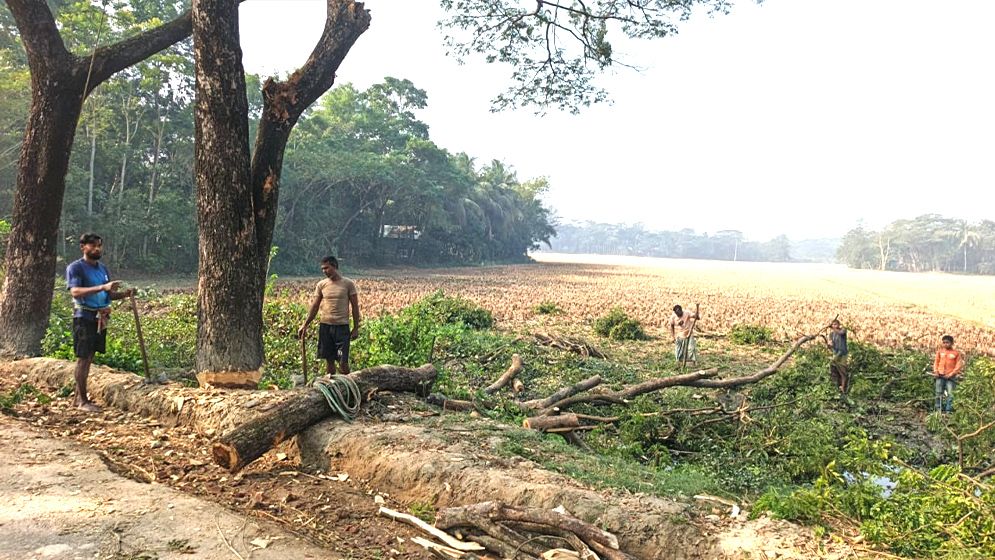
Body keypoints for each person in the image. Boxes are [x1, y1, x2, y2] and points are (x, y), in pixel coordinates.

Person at [66, 233, 133, 412]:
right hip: (84, 317)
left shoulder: (102, 269)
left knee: (90, 357)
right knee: (83, 357)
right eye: (93, 245)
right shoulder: (76, 268)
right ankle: (82, 401)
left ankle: (78, 398)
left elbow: (108, 295)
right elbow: (75, 292)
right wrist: (101, 287)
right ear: (83, 247)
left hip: (100, 318)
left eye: (99, 246)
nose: (97, 249)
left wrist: (125, 294)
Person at [298, 256, 361, 378]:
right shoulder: (321, 285)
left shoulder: (348, 284)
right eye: (322, 269)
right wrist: (305, 324)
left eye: (326, 268)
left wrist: (356, 327)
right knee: (329, 360)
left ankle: (351, 387)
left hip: (342, 328)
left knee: (343, 362)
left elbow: (355, 307)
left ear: (334, 266)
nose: (324, 271)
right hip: (325, 327)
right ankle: (331, 386)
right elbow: (315, 306)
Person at [932, 335, 965, 414]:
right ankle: (938, 410)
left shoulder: (956, 353)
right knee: (938, 392)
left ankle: (948, 410)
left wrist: (951, 374)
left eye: (947, 342)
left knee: (950, 394)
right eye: (944, 342)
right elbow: (936, 362)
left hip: (950, 377)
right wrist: (936, 371)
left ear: (952, 343)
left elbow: (958, 365)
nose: (945, 344)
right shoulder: (940, 352)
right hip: (940, 376)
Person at [827, 319, 850, 397]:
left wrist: (834, 328)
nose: (834, 326)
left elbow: (841, 333)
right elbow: (830, 345)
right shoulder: (831, 334)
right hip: (836, 354)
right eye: (833, 325)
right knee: (834, 370)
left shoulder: (843, 330)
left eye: (835, 324)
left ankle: (843, 388)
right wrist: (829, 345)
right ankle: (836, 388)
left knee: (843, 371)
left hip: (842, 354)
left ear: (839, 325)